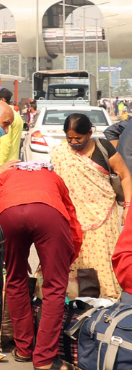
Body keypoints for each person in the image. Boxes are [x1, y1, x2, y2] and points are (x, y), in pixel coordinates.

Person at [0, 161, 84, 370]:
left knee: (15, 280)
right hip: (48, 214)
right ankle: (44, 358)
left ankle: (24, 349)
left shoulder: (6, 176)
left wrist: (2, 252)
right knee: (55, 286)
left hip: (8, 215)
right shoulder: (54, 178)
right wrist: (66, 258)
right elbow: (71, 217)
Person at [51, 113, 132, 299]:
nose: (73, 142)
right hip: (71, 216)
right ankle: (74, 299)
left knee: (101, 259)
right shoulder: (59, 153)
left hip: (103, 215)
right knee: (73, 258)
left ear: (89, 133)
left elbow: (125, 175)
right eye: (69, 138)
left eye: (78, 138)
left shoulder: (103, 148)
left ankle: (105, 299)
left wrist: (128, 206)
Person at [0, 88, 23, 166]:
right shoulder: (15, 114)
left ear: (3, 99)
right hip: (13, 162)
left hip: (6, 164)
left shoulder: (5, 116)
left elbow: (5, 143)